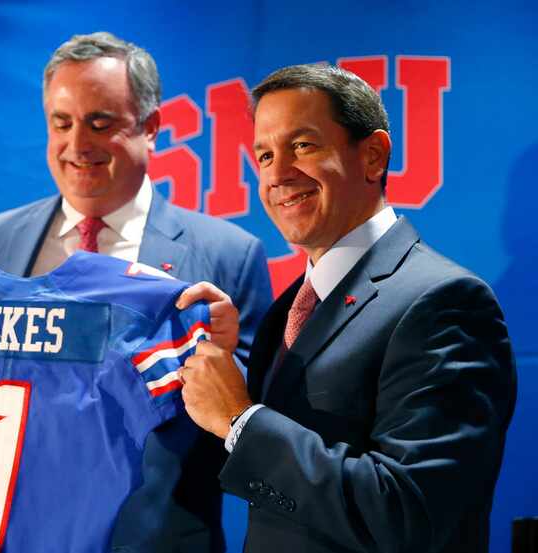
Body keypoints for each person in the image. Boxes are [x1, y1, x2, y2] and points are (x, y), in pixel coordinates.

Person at [179, 63, 516, 552]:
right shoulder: (290, 307)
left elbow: (409, 510)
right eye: (264, 154)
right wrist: (228, 376)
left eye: (303, 146)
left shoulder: (445, 302)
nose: (277, 174)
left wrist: (239, 417)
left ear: (373, 156)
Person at [0, 32, 272, 552]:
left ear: (151, 128)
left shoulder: (226, 255)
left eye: (100, 123)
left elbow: (252, 432)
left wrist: (225, 368)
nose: (76, 144)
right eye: (61, 123)